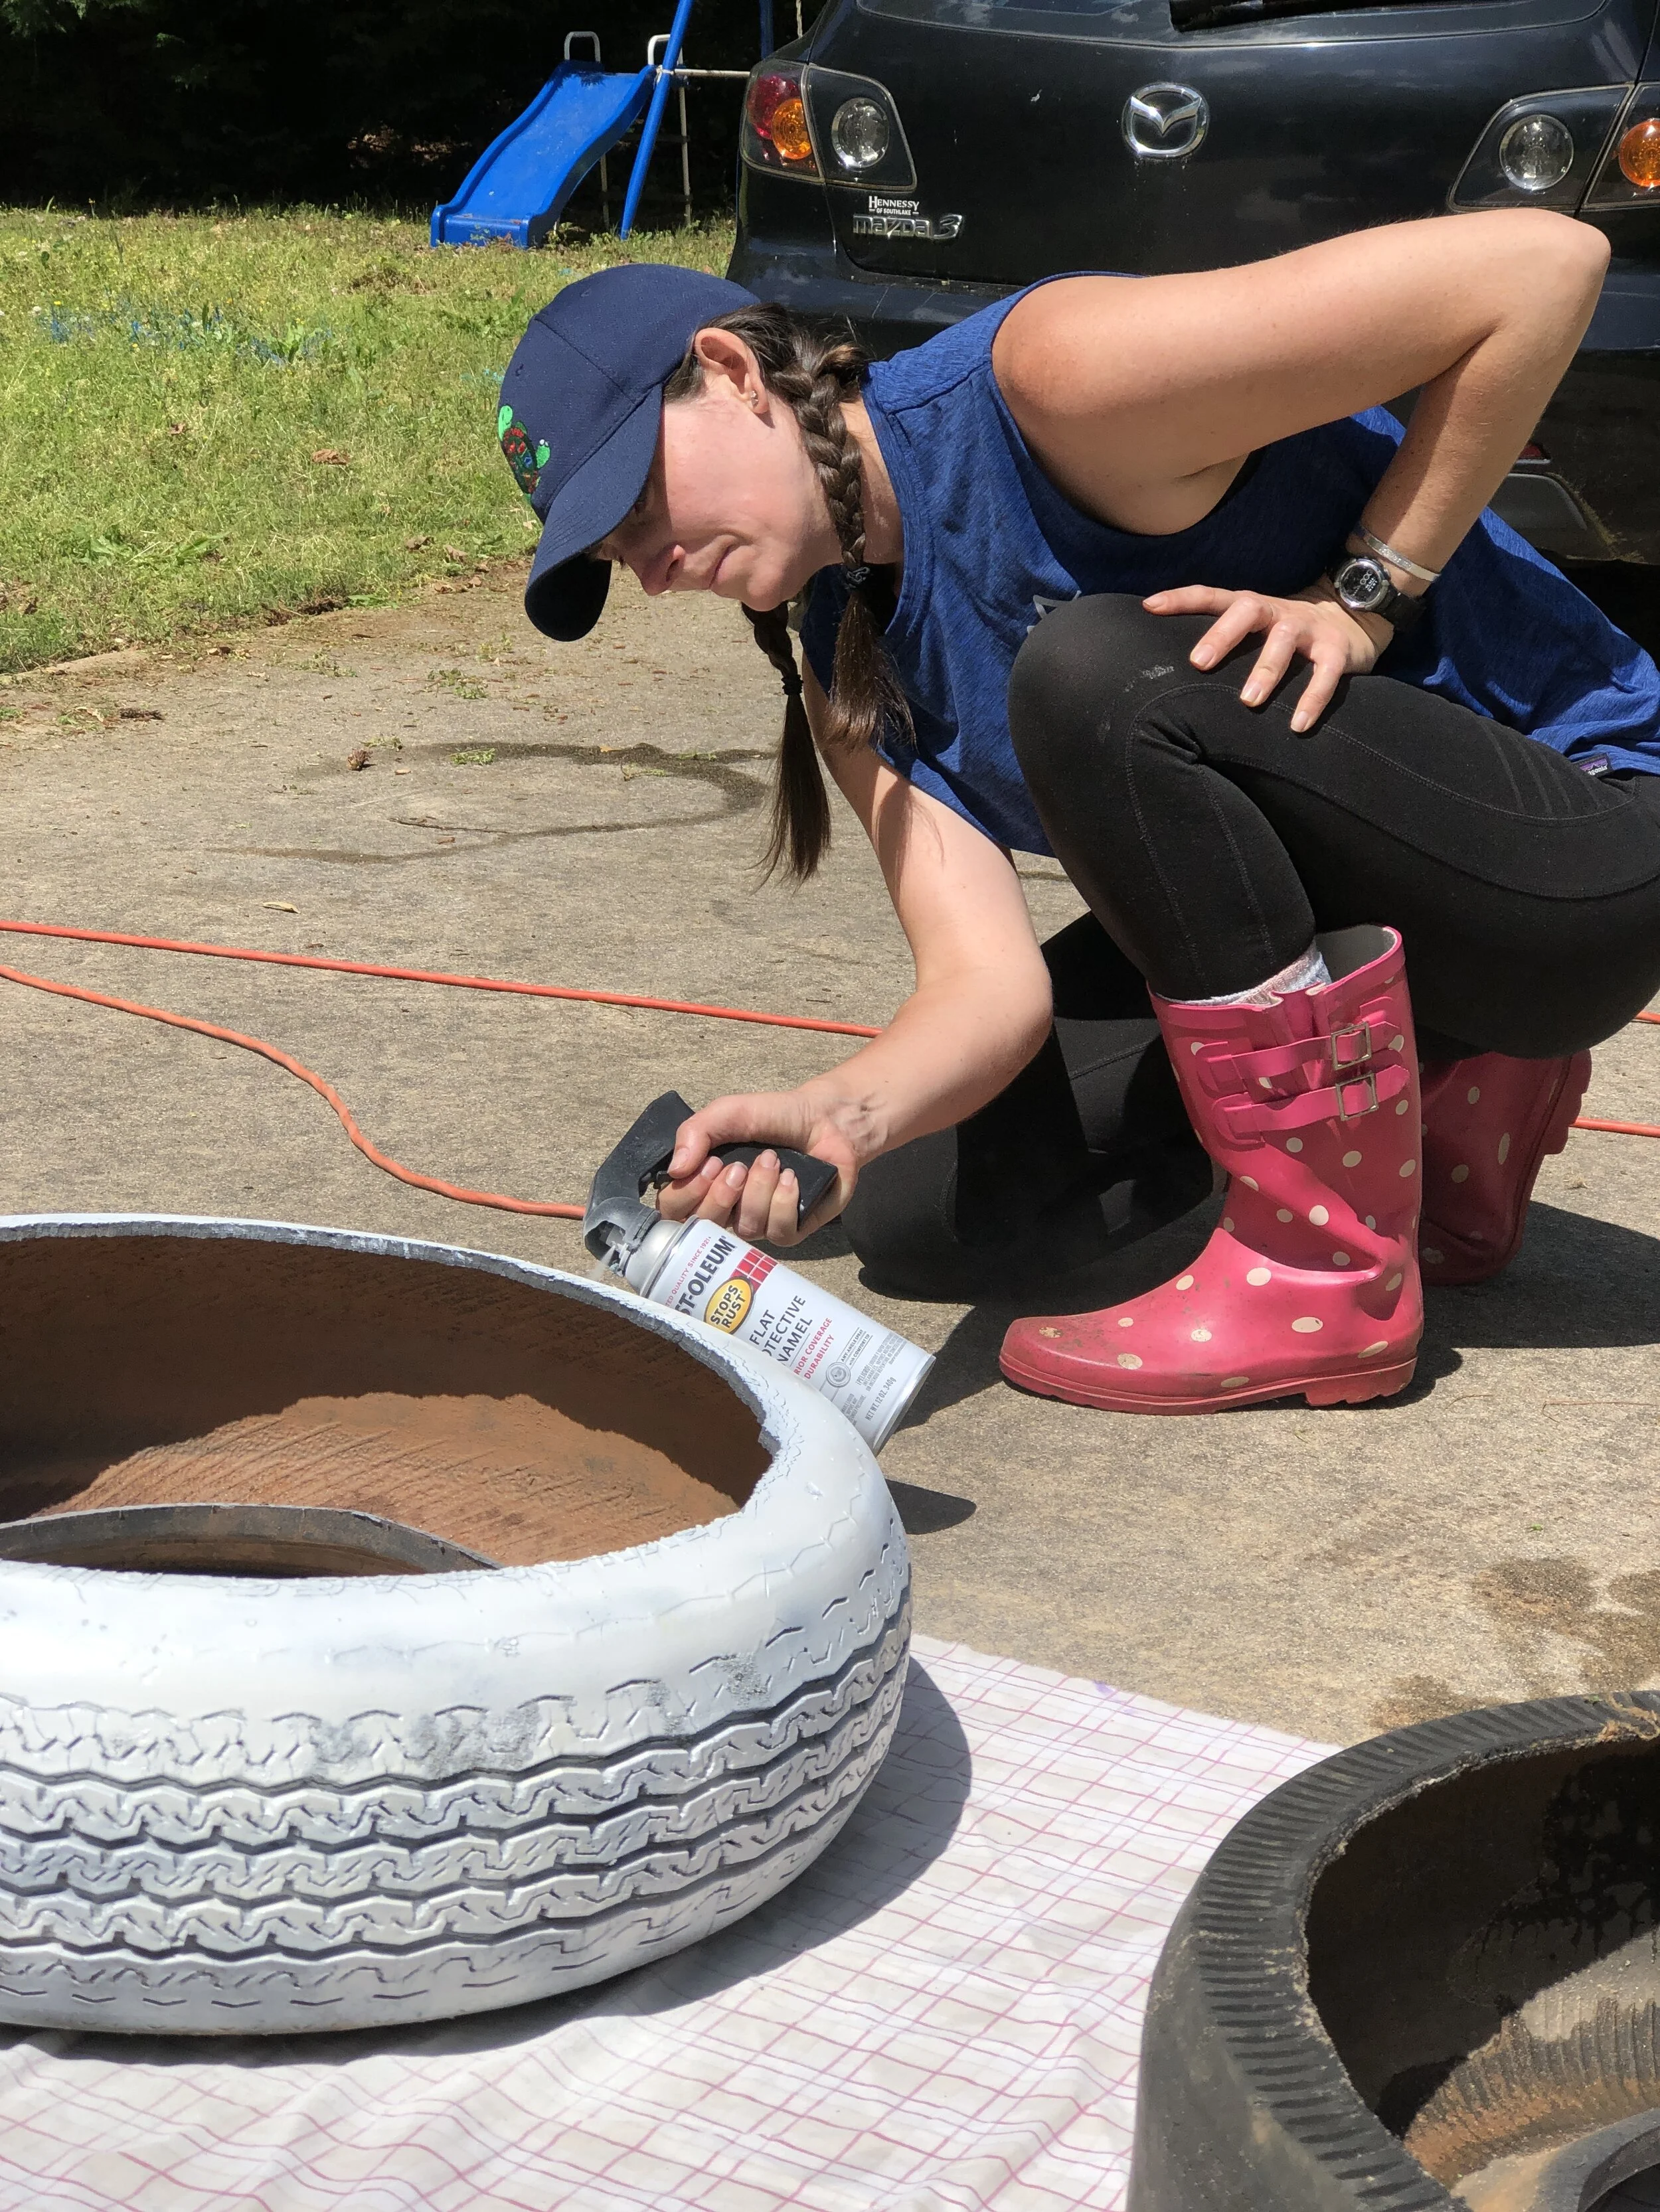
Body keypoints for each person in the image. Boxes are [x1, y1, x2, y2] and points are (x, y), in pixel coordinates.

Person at [497, 215, 1660, 1416]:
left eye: (637, 505)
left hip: (1583, 855)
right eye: (613, 555)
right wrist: (837, 1116)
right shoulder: (843, 655)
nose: (647, 567)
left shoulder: (1050, 380)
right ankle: (1449, 1076)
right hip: (1372, 910)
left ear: (737, 374)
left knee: (1091, 672)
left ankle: (1319, 1272)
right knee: (926, 1207)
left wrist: (1364, 595)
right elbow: (983, 985)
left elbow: (1539, 270)